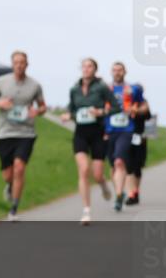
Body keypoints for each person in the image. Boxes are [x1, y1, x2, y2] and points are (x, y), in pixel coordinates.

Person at [0, 51, 47, 221]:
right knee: (8, 174)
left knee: (19, 168)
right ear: (12, 64)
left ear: (27, 64)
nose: (19, 65)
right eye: (16, 62)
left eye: (22, 62)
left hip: (26, 133)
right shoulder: (1, 81)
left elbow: (43, 107)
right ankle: (10, 185)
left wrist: (37, 111)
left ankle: (14, 209)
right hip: (5, 133)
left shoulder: (35, 85)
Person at [59, 58, 112, 225]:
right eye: (84, 66)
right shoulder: (74, 89)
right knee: (83, 170)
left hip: (98, 133)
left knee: (97, 175)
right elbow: (71, 108)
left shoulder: (102, 88)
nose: (86, 69)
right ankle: (86, 211)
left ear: (95, 70)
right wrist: (68, 115)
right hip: (81, 133)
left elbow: (115, 107)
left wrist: (101, 112)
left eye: (90, 66)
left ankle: (103, 184)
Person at [105, 62, 143, 211]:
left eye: (120, 70)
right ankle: (119, 192)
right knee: (113, 165)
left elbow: (142, 104)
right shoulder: (105, 89)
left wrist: (136, 108)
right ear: (111, 72)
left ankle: (119, 195)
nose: (117, 72)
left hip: (127, 130)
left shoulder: (132, 89)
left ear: (125, 72)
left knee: (119, 161)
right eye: (114, 70)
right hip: (109, 131)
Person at [125, 84, 151, 206]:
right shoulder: (125, 101)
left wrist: (138, 110)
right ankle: (131, 193)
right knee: (128, 166)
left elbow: (147, 115)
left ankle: (136, 191)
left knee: (137, 166)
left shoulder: (143, 103)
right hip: (126, 136)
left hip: (139, 137)